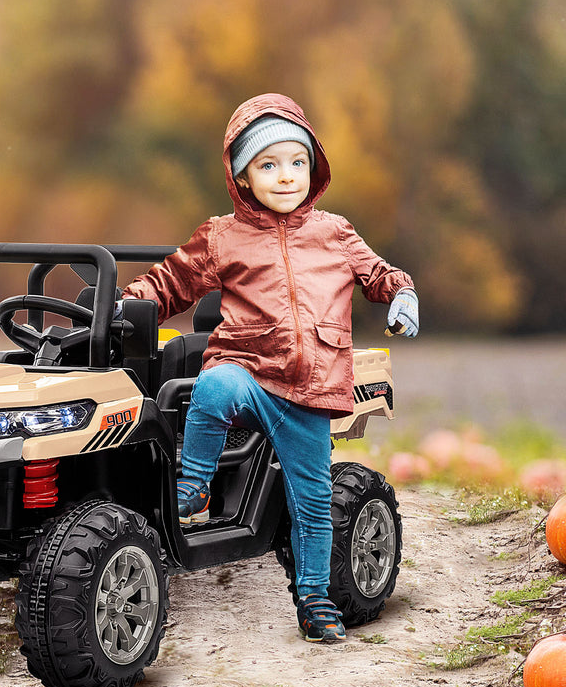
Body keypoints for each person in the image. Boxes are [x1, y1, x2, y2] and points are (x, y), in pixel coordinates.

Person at [120, 93, 418, 644]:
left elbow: (379, 273)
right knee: (213, 385)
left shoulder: (335, 232)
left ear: (314, 166)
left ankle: (315, 599)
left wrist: (401, 293)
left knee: (312, 504)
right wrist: (121, 306)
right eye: (268, 165)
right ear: (242, 176)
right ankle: (196, 487)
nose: (286, 177)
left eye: (297, 162)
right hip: (250, 372)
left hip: (310, 390)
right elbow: (169, 284)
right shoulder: (221, 236)